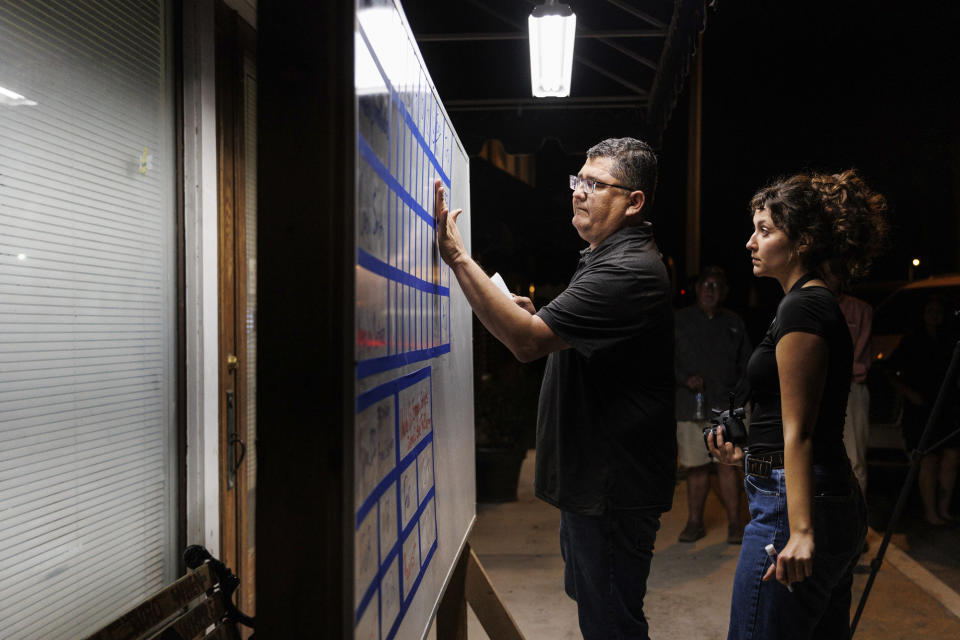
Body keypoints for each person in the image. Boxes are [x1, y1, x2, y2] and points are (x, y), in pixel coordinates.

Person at [435, 137, 676, 640]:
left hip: (612, 489)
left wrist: (458, 258)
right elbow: (552, 332)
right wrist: (540, 320)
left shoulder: (627, 270)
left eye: (596, 184)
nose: (579, 193)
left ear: (634, 202)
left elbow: (526, 344)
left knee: (612, 622)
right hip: (597, 483)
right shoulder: (603, 256)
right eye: (578, 181)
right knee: (598, 608)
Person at [708, 169, 888, 639]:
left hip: (794, 509)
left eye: (765, 231)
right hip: (818, 495)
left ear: (803, 242)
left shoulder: (804, 308)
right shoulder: (811, 304)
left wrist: (801, 532)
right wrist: (746, 454)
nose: (751, 242)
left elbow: (801, 431)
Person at [675, 266, 751, 544]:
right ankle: (694, 522)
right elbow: (664, 362)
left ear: (725, 291)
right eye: (705, 284)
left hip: (726, 408)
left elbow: (748, 365)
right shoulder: (679, 320)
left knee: (728, 466)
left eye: (716, 285)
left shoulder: (734, 322)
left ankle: (735, 523)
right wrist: (684, 379)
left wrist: (740, 399)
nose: (710, 289)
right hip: (690, 407)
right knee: (695, 467)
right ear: (697, 289)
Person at [886, 295, 960, 526]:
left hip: (948, 406)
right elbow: (889, 371)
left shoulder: (950, 340)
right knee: (927, 458)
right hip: (921, 407)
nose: (935, 315)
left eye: (939, 310)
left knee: (952, 456)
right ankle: (931, 512)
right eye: (930, 310)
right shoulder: (912, 341)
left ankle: (943, 509)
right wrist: (909, 393)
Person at [837, 291, 873, 497]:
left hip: (849, 386)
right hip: (815, 387)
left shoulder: (861, 310)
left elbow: (859, 360)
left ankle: (855, 521)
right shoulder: (808, 302)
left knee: (854, 458)